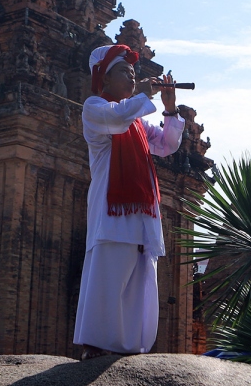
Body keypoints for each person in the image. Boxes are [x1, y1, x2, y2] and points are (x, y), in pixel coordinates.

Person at [73, 44, 184, 359]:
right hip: (112, 211)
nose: (132, 77)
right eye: (124, 71)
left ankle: (131, 347)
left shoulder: (137, 121)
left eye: (134, 73)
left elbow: (167, 145)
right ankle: (95, 345)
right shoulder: (95, 108)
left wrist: (170, 108)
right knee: (109, 274)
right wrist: (145, 97)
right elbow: (118, 116)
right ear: (104, 78)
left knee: (139, 279)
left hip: (141, 213)